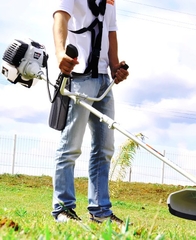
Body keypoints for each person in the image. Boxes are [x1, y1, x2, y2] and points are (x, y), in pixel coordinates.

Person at [51, 0, 129, 224]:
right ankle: (63, 209)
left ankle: (100, 211)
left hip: (104, 79)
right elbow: (60, 16)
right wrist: (59, 53)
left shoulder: (110, 1)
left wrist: (115, 66)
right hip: (80, 76)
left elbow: (111, 32)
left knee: (104, 148)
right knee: (70, 145)